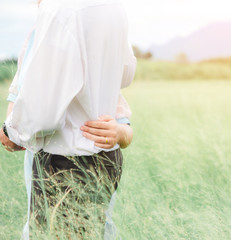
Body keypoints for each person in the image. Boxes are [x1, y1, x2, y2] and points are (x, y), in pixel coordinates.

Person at [0, 0, 136, 238]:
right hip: (103, 161)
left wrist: (13, 131)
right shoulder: (113, 7)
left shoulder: (59, 10)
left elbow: (42, 112)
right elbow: (124, 73)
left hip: (65, 160)